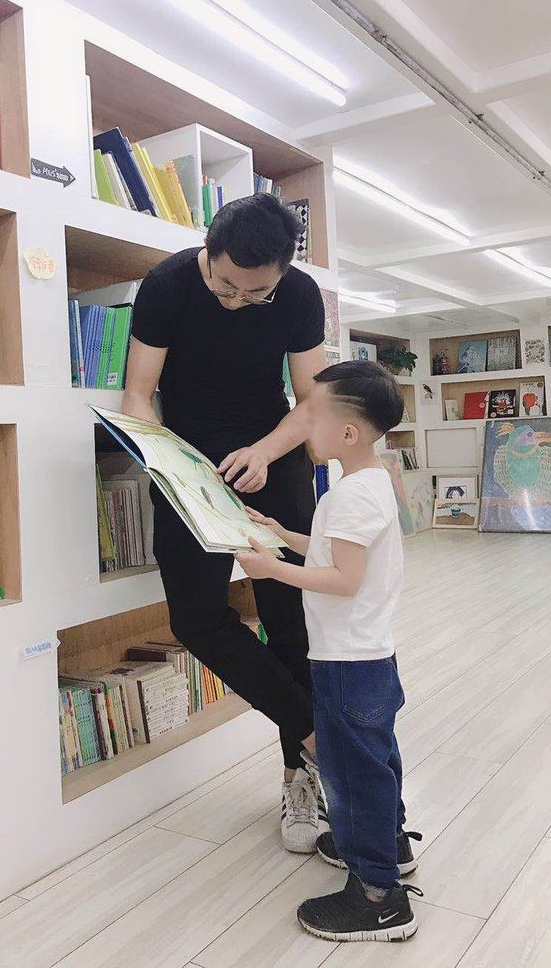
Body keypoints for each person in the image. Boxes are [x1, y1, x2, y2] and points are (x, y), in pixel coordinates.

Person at [122, 193, 327, 851]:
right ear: (207, 253)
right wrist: (174, 463)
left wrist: (265, 452)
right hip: (189, 465)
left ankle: (302, 781)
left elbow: (312, 398)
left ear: (281, 274)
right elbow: (138, 394)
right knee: (196, 618)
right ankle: (317, 735)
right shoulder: (167, 284)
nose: (236, 300)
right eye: (225, 285)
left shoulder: (298, 295)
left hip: (275, 460)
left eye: (254, 292)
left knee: (290, 622)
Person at [236, 360, 423, 942]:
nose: (302, 426)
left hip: (347, 660)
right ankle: (387, 841)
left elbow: (343, 579)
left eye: (312, 415)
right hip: (370, 654)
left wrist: (271, 569)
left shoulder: (350, 497)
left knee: (350, 773)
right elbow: (336, 553)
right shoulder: (366, 486)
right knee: (374, 758)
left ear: (348, 433)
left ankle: (378, 897)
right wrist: (282, 534)